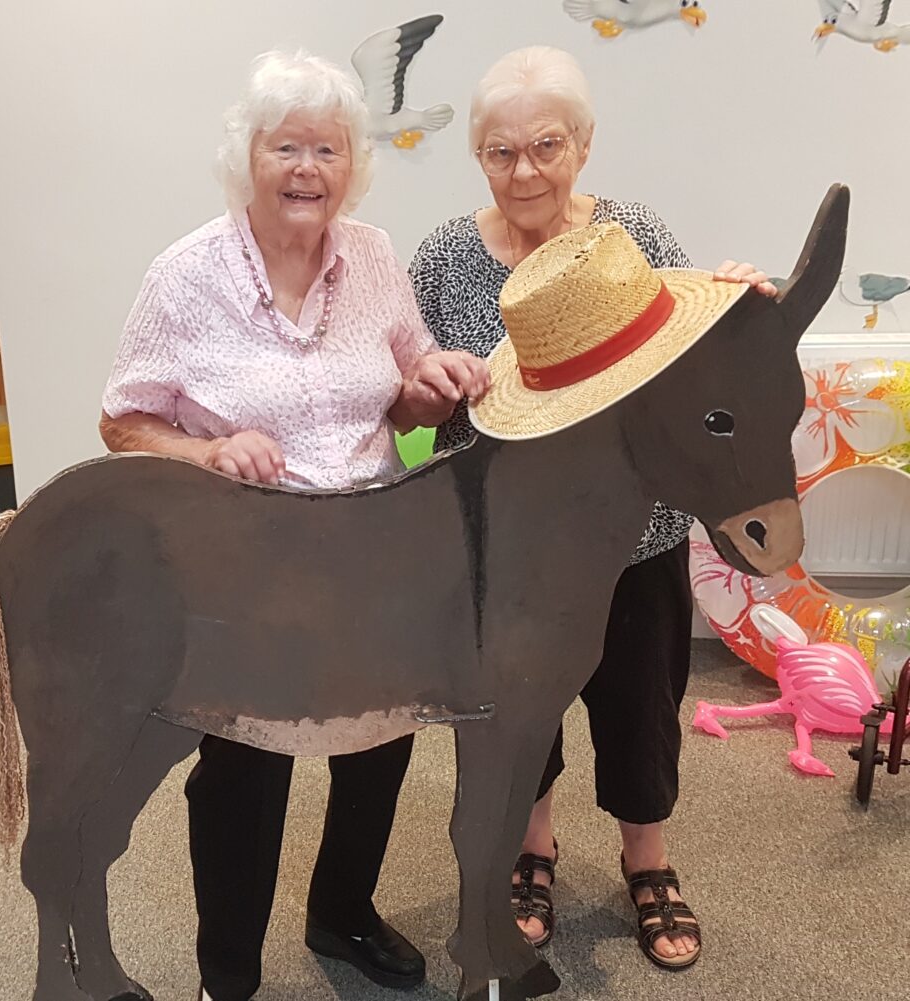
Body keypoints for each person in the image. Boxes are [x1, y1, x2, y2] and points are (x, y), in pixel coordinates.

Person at [99, 50, 489, 1001]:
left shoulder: (376, 257)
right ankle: (227, 972)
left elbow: (402, 393)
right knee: (246, 765)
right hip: (246, 563)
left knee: (380, 740)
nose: (308, 168)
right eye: (287, 147)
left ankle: (342, 911)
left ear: (352, 163)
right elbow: (122, 419)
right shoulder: (185, 274)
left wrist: (429, 383)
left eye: (328, 148)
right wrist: (208, 451)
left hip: (373, 546)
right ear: (249, 157)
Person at [409, 45, 777, 969]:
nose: (525, 171)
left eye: (547, 145)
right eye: (500, 152)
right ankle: (532, 849)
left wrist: (739, 304)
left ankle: (647, 859)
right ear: (478, 157)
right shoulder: (445, 256)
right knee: (515, 708)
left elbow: (692, 352)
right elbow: (409, 398)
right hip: (504, 548)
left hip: (633, 537)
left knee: (641, 702)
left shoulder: (632, 234)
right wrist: (425, 385)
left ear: (583, 144)